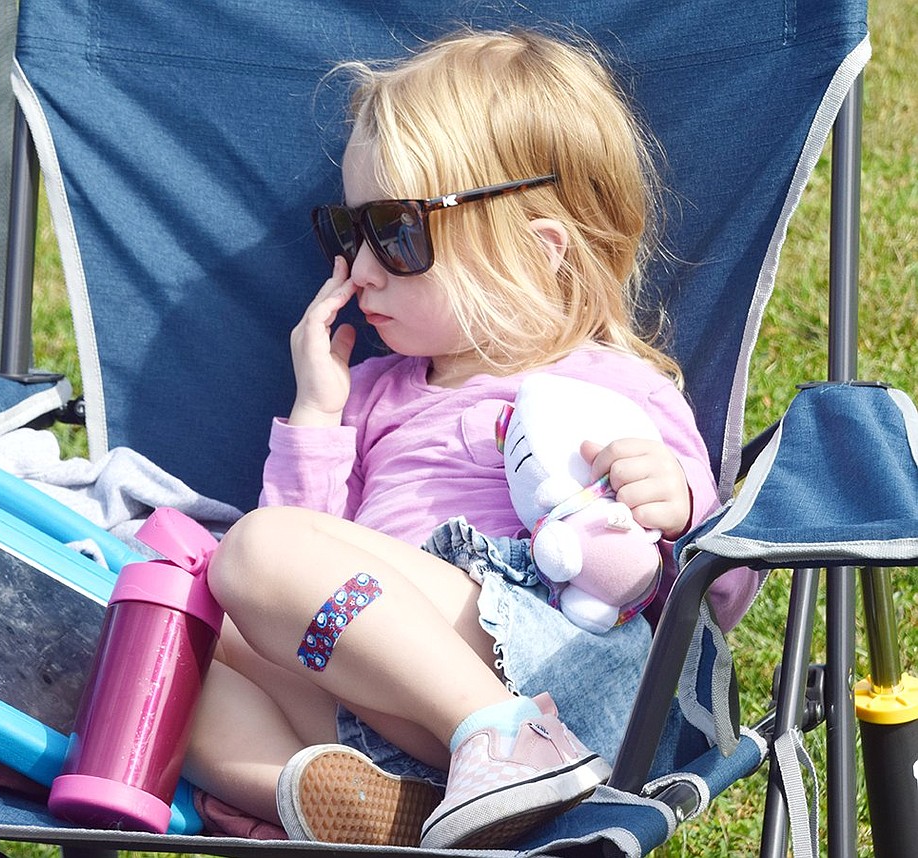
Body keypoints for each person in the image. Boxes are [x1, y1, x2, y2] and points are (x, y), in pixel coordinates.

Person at [181, 27, 759, 849]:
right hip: (405, 732)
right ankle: (340, 808)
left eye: (398, 233)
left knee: (251, 552)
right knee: (186, 636)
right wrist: (316, 412)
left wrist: (676, 505)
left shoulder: (606, 383)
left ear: (536, 250)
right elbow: (286, 587)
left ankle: (509, 739)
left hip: (558, 687)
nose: (361, 269)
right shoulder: (373, 395)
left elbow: (718, 597)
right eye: (348, 232)